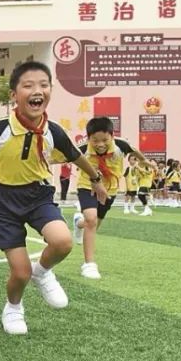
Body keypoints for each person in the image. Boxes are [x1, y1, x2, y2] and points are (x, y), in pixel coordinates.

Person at [0, 61, 108, 336]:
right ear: (14, 96)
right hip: (1, 201)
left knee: (63, 242)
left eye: (43, 85)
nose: (37, 90)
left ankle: (42, 271)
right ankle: (13, 308)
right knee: (19, 273)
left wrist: (97, 181)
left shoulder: (54, 131)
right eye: (28, 85)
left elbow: (77, 157)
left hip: (38, 196)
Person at [70, 117, 148, 279]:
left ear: (112, 136)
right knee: (91, 219)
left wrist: (146, 161)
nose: (100, 144)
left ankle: (78, 223)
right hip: (87, 185)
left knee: (93, 223)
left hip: (110, 189)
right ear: (88, 138)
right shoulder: (82, 149)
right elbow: (63, 155)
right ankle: (89, 265)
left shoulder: (121, 145)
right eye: (95, 140)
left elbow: (134, 151)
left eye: (104, 140)